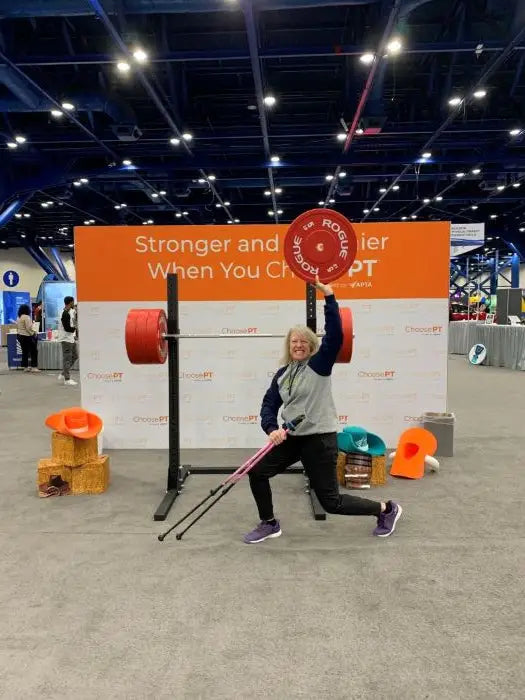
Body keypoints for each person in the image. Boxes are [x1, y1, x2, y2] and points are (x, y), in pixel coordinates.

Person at [243, 275, 403, 544]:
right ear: (288, 345)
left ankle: (386, 509)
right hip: (292, 437)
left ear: (312, 346)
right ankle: (269, 523)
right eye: (294, 341)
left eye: (304, 342)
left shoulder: (319, 366)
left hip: (319, 440)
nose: (298, 345)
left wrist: (328, 296)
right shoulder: (283, 373)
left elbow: (337, 335)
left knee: (331, 502)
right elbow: (269, 405)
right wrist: (271, 429)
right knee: (257, 472)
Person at [57, 296, 78, 386]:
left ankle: (63, 373)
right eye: (73, 302)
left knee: (75, 356)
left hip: (70, 338)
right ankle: (67, 379)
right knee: (67, 359)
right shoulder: (64, 313)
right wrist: (75, 328)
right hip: (66, 339)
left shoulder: (70, 312)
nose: (74, 304)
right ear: (70, 303)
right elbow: (67, 328)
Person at [16, 304, 40, 372]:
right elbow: (29, 328)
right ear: (27, 310)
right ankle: (34, 367)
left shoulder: (19, 317)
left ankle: (25, 367)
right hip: (27, 336)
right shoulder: (27, 317)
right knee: (34, 351)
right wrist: (33, 334)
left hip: (20, 336)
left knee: (25, 352)